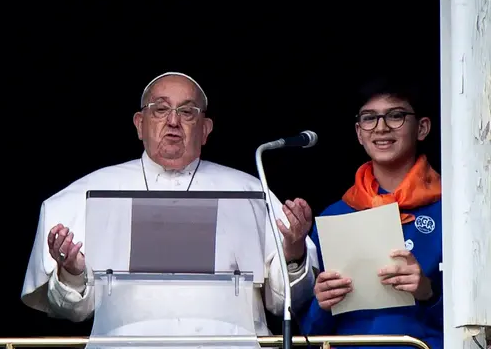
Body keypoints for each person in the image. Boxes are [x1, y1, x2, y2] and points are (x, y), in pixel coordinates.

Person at [21, 71, 319, 336]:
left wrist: (293, 252)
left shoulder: (252, 193)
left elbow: (284, 304)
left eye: (187, 112)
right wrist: (71, 272)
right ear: (140, 124)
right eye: (160, 109)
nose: (173, 121)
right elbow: (73, 311)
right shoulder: (88, 193)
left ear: (205, 129)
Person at [300, 77, 442, 349]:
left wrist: (428, 292)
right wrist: (323, 304)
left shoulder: (458, 211)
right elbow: (309, 333)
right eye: (369, 118)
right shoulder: (335, 216)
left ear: (422, 128)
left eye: (396, 116)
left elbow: (480, 319)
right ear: (358, 132)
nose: (381, 127)